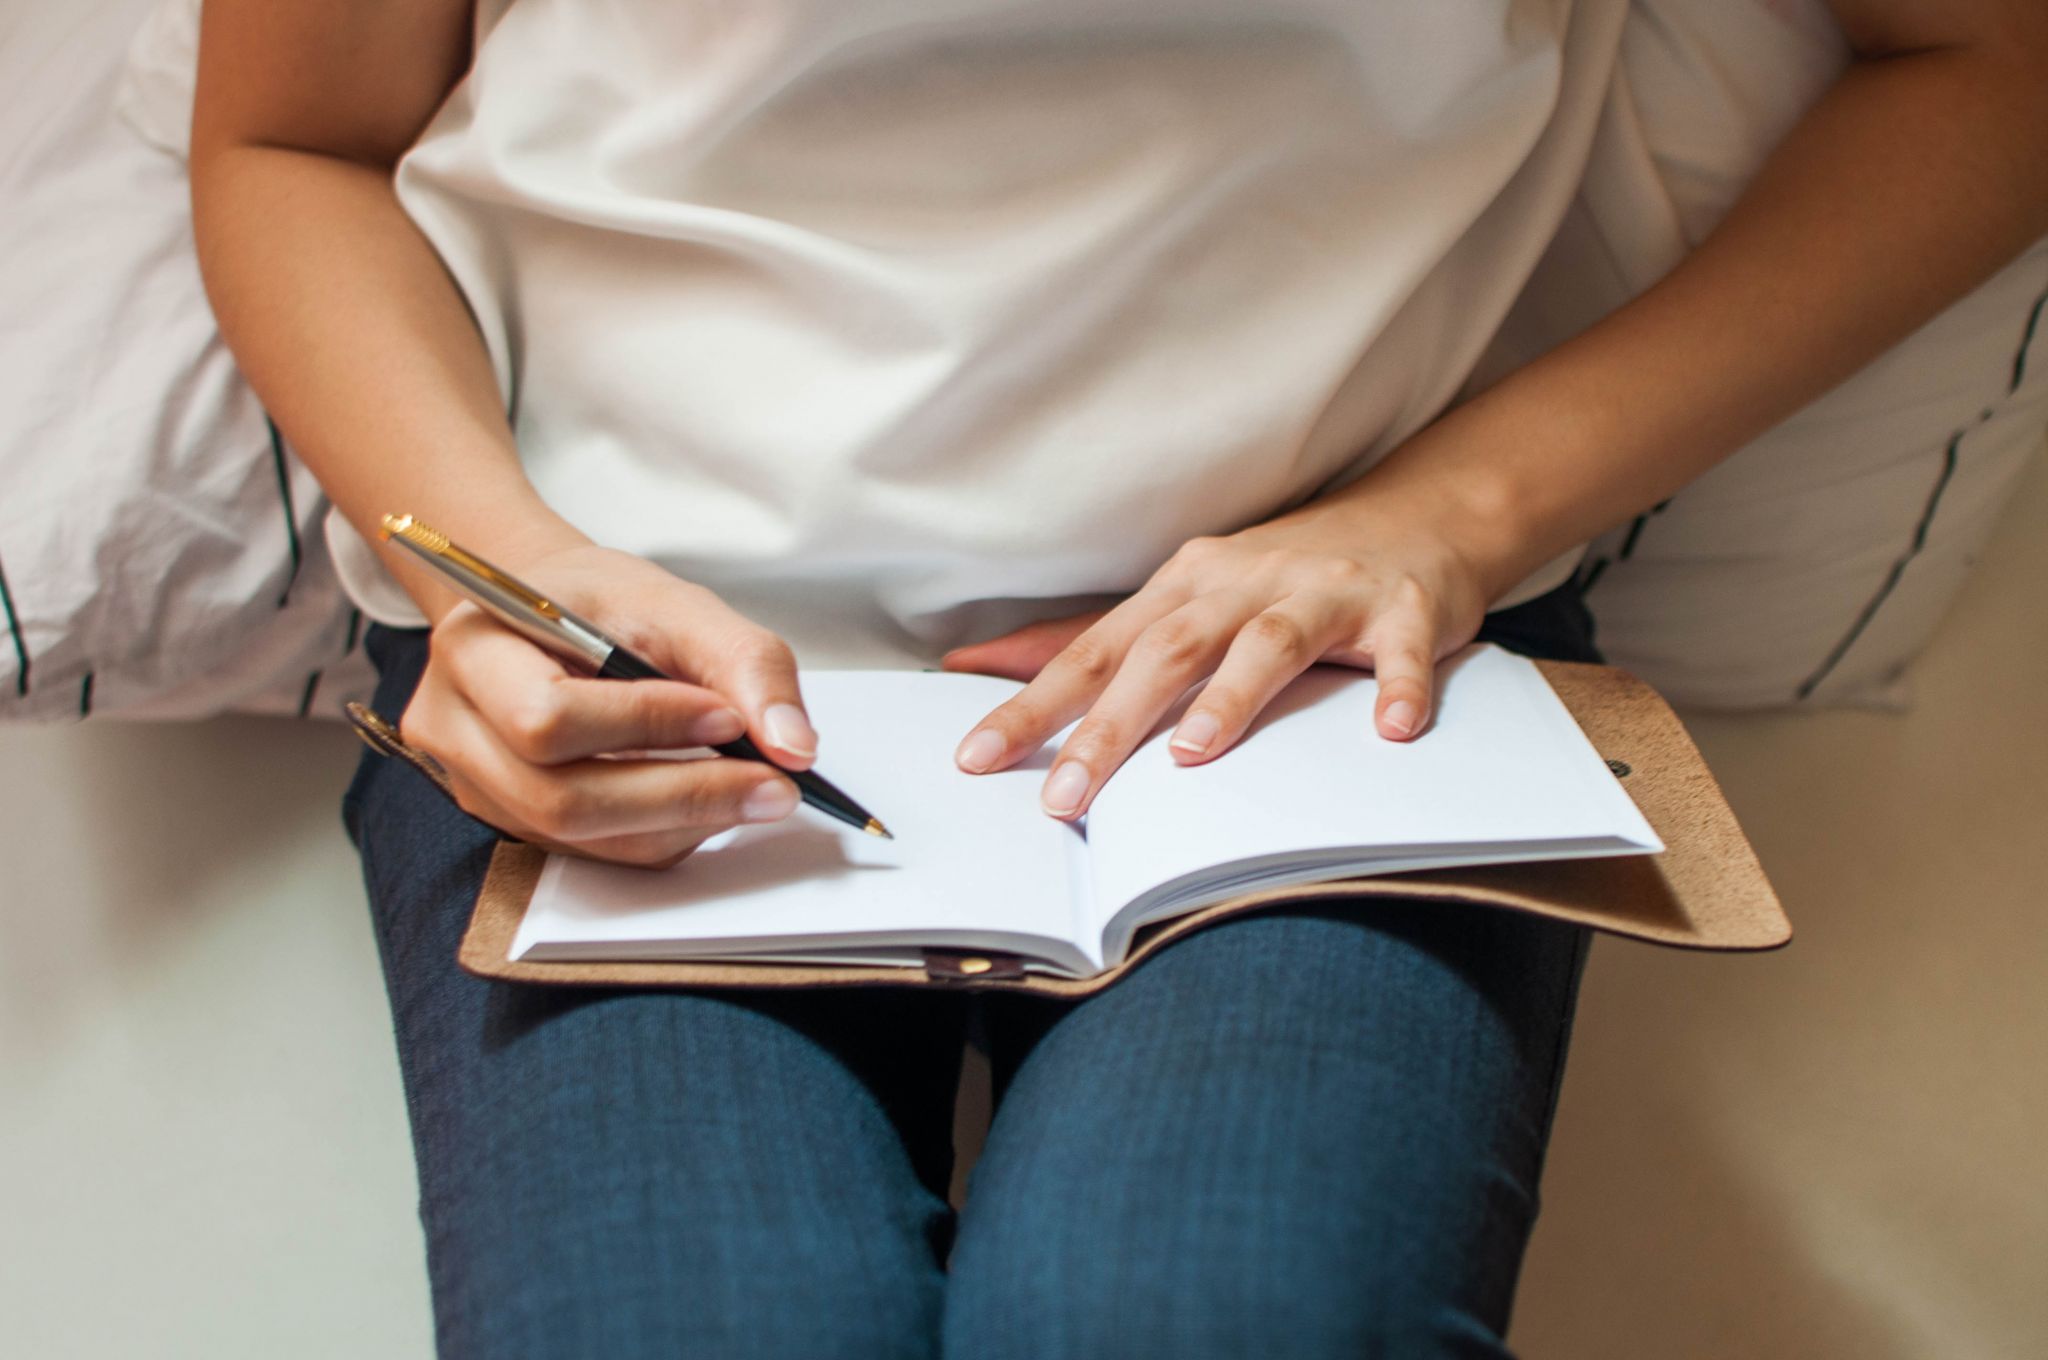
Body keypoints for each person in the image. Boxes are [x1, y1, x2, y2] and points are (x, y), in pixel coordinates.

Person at [188, 1, 2048, 1354]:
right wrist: (509, 579)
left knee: (1217, 1320)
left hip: (1331, 658)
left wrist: (1452, 517)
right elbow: (294, 133)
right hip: (633, 663)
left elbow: (1990, 61)